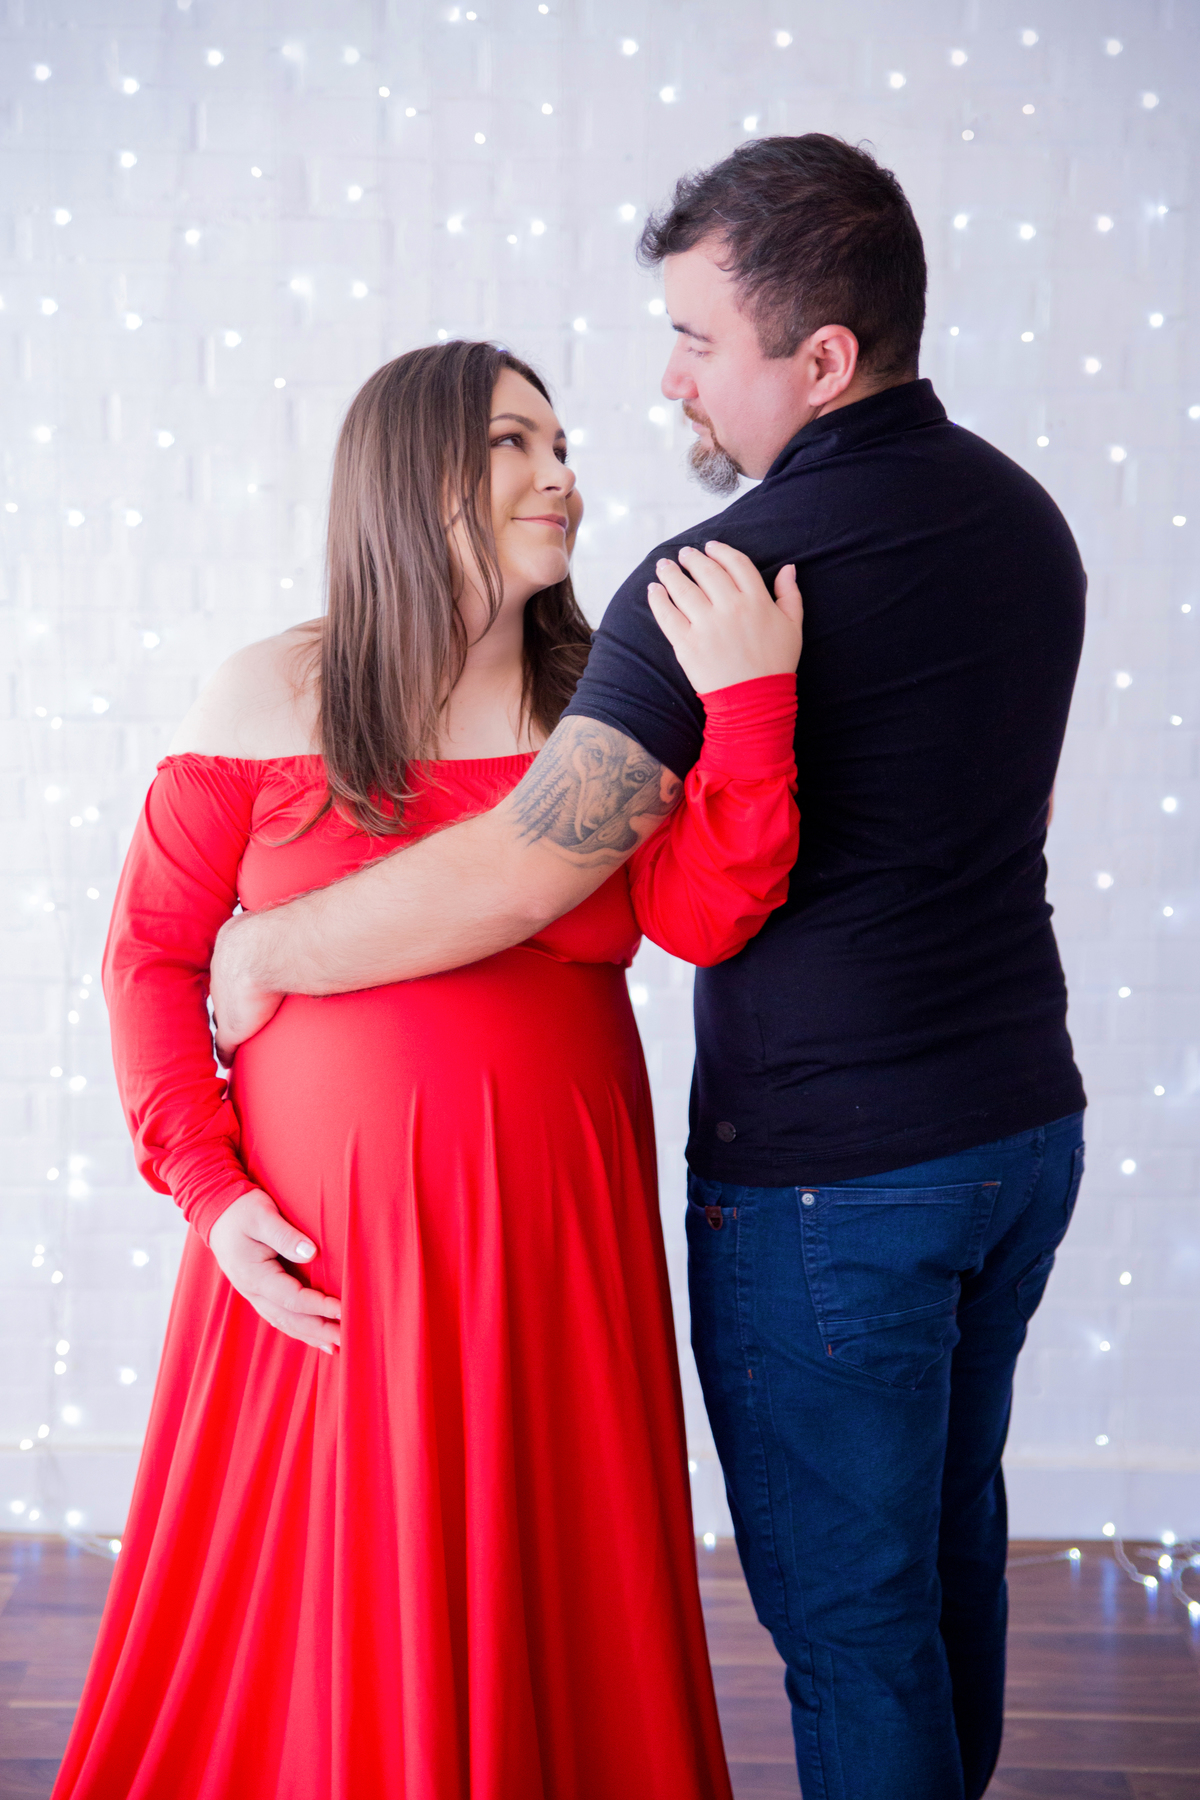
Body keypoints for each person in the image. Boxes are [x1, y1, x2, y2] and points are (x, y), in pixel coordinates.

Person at [210, 135, 1089, 1800]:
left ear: (817, 358)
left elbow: (541, 859)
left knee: (849, 1623)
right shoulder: (1023, 524)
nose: (670, 381)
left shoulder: (722, 577)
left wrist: (271, 950)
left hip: (835, 1187)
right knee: (948, 1556)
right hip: (1021, 1140)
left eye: (695, 337)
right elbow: (1015, 807)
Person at [53, 341, 806, 1800]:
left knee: (547, 1587)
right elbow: (147, 961)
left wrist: (753, 707)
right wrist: (209, 1196)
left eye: (564, 443)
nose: (564, 475)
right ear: (413, 476)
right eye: (516, 443)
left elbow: (713, 908)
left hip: (549, 1248)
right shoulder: (273, 690)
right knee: (309, 1604)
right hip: (320, 1261)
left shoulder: (612, 695)